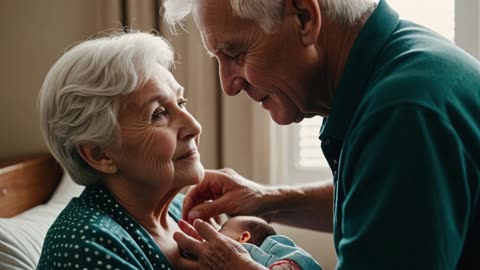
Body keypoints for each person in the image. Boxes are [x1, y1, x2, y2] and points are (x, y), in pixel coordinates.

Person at [163, 0, 480, 269]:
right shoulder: (401, 66)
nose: (229, 85)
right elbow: (390, 204)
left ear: (305, 18)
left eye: (237, 54)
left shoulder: (403, 113)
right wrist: (268, 201)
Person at [36, 31, 205, 269]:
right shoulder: (85, 243)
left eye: (180, 103)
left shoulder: (182, 209)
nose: (194, 127)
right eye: (158, 114)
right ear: (100, 155)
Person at [219, 216, 323, 270]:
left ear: (244, 237)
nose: (217, 235)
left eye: (220, 231)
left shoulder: (273, 249)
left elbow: (298, 259)